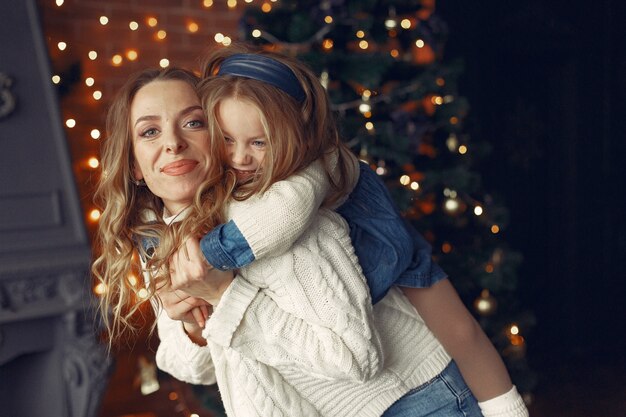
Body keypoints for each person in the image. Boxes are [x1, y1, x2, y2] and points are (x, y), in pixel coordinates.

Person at [92, 67, 483, 417]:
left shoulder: (272, 213)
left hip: (414, 398)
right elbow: (192, 365)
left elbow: (355, 357)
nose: (173, 143)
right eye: (149, 131)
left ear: (219, 133)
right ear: (133, 165)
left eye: (192, 123)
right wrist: (191, 322)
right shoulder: (162, 240)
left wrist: (224, 297)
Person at [166, 44, 528, 417]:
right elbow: (192, 364)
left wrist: (508, 410)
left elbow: (455, 328)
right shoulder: (193, 224)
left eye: (260, 142)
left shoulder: (333, 204)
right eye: (227, 140)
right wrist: (196, 320)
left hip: (422, 394)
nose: (241, 158)